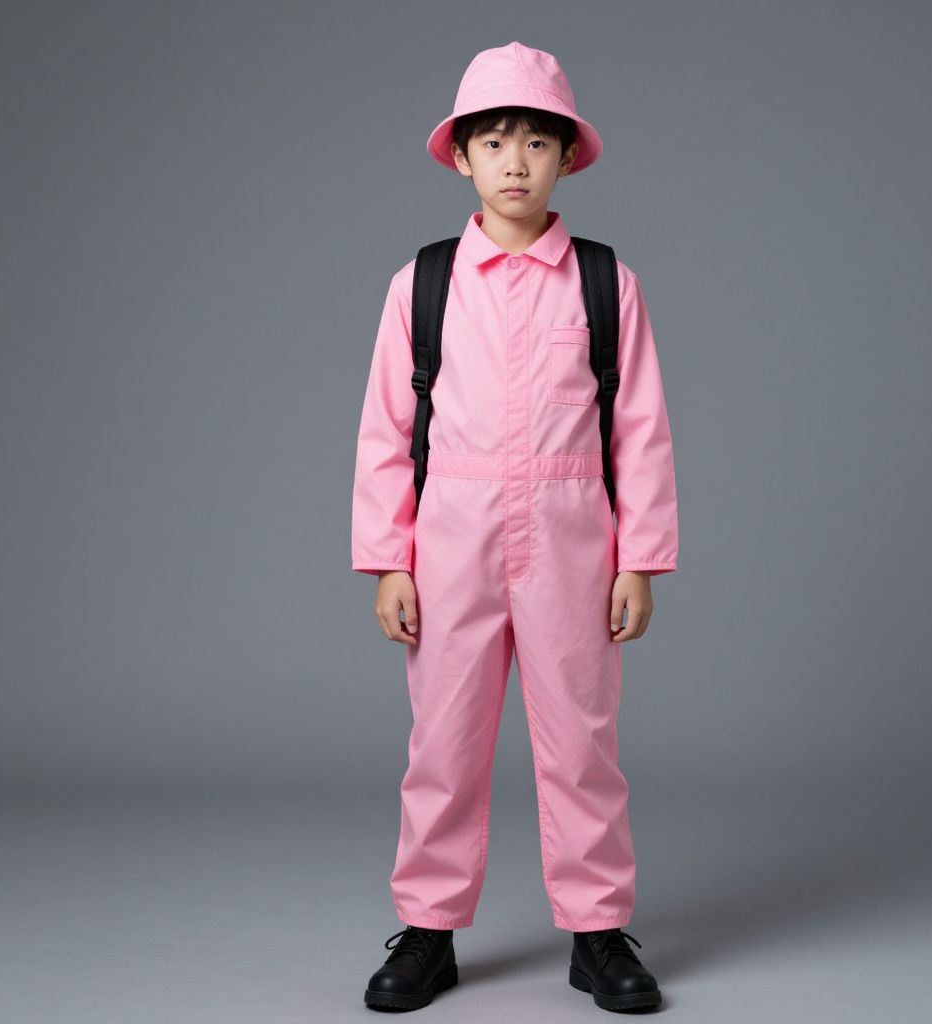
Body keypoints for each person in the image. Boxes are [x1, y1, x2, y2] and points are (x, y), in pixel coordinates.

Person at [351, 40, 678, 1012]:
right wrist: (390, 559)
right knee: (442, 745)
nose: (516, 162)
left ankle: (597, 933)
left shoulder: (604, 282)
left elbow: (639, 428)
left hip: (573, 536)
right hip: (450, 537)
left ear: (567, 157)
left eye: (537, 142)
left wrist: (639, 559)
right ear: (461, 157)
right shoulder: (424, 283)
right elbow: (387, 429)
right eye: (493, 141)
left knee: (581, 743)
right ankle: (428, 930)